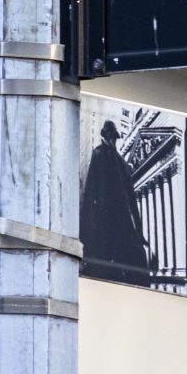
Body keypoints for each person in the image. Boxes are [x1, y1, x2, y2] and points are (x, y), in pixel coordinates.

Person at [80, 121, 153, 284]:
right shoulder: (101, 155)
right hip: (108, 222)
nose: (113, 141)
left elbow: (130, 198)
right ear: (106, 136)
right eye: (111, 137)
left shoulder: (118, 161)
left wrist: (139, 230)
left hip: (117, 221)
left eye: (114, 138)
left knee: (128, 261)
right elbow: (92, 190)